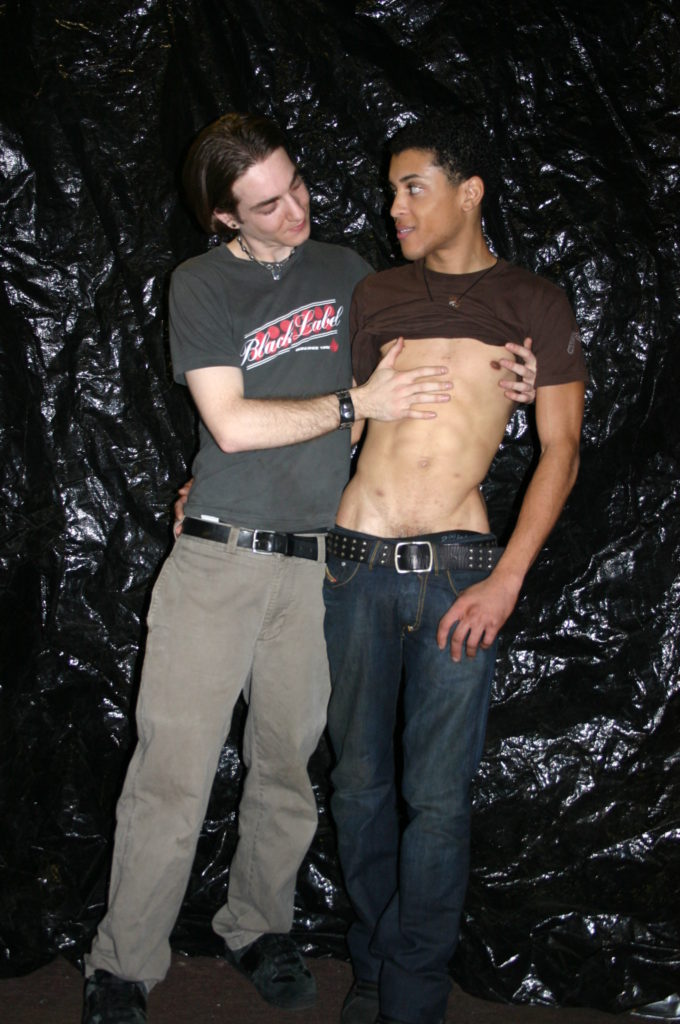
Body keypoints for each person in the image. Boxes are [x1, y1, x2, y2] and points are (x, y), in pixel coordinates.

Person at [82, 112, 536, 1024]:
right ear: (224, 217)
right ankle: (123, 966)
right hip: (218, 558)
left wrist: (510, 382)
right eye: (268, 205)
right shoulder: (200, 283)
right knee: (173, 772)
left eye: (296, 186)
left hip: (321, 564)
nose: (296, 210)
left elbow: (419, 379)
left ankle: (257, 927)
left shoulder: (351, 274)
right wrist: (353, 402)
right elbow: (232, 423)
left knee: (288, 769)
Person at [322, 112, 588, 1024]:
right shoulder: (376, 294)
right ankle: (372, 962)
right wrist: (222, 481)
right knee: (357, 785)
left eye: (412, 188)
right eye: (390, 190)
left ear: (469, 193)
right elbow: (345, 428)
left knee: (436, 798)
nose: (394, 207)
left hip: (458, 570)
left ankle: (413, 994)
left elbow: (561, 450)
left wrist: (506, 579)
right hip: (352, 563)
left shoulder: (533, 302)